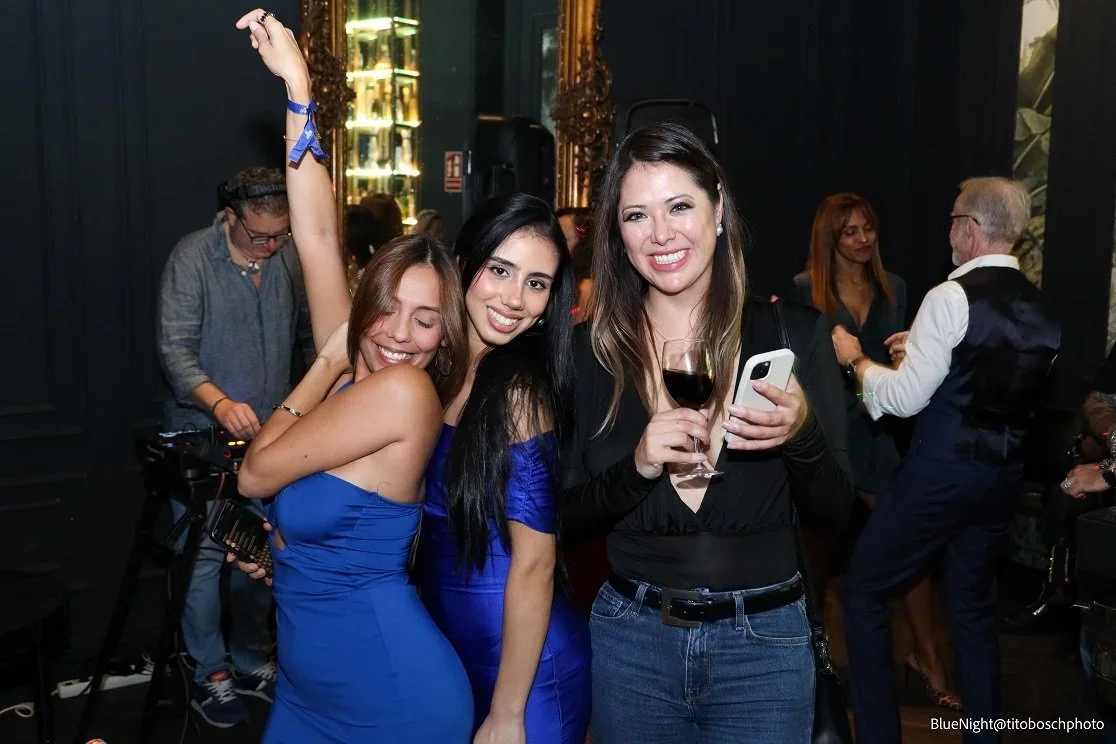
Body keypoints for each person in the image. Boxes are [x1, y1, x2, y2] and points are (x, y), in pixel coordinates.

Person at [559, 121, 854, 743]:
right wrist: (635, 467)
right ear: (617, 231)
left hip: (765, 649)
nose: (660, 233)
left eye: (680, 206)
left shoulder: (793, 336)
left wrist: (799, 433)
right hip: (631, 644)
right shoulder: (591, 354)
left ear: (718, 208)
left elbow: (839, 512)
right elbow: (562, 516)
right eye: (637, 215)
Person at [232, 11, 474, 742]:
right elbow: (313, 234)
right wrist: (299, 91)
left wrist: (329, 360)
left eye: (426, 320)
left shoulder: (403, 393)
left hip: (390, 693)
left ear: (444, 334)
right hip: (306, 687)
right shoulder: (358, 368)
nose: (401, 334)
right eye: (389, 309)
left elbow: (254, 475)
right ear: (366, 305)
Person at [833, 176, 1061, 743]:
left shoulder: (949, 295)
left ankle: (880, 735)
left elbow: (905, 400)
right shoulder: (1041, 309)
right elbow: (995, 379)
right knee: (973, 611)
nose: (950, 229)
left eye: (955, 218)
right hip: (1000, 480)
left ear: (973, 228)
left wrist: (855, 360)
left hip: (940, 476)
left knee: (862, 591)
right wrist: (925, 351)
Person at [417, 192, 592, 743]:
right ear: (465, 263)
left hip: (525, 672)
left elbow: (536, 565)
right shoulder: (433, 372)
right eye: (500, 270)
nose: (516, 299)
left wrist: (509, 711)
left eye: (537, 283)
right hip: (450, 654)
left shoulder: (517, 393)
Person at [155, 163, 313, 727]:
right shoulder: (193, 258)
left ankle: (250, 656)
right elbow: (175, 352)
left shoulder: (285, 257)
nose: (271, 246)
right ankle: (209, 672)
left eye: (281, 235)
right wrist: (220, 403)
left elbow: (308, 339)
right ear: (231, 216)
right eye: (260, 235)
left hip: (272, 436)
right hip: (202, 437)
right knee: (201, 559)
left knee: (267, 552)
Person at [791, 194, 959, 709]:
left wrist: (906, 354)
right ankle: (811, 665)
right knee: (815, 555)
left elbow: (899, 367)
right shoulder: (805, 288)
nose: (863, 240)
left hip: (881, 426)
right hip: (832, 430)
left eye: (868, 229)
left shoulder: (896, 286)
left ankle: (928, 659)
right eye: (850, 232)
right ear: (830, 239)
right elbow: (803, 368)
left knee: (907, 542)